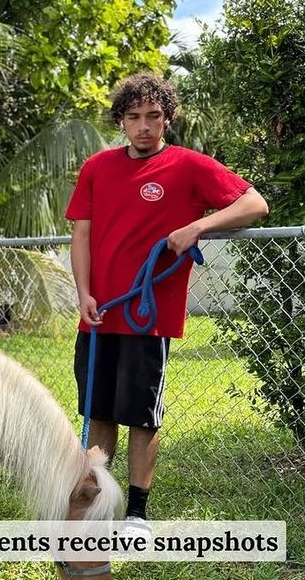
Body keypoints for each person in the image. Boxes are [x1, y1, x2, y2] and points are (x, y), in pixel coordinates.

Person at [65, 72, 268, 524]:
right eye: (134, 117)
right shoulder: (97, 168)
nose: (144, 126)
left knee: (142, 416)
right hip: (99, 313)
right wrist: (83, 293)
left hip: (147, 316)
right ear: (120, 120)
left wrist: (199, 226)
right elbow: (82, 233)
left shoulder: (190, 166)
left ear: (167, 119)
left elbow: (255, 205)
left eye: (153, 116)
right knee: (98, 412)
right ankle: (97, 502)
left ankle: (136, 512)